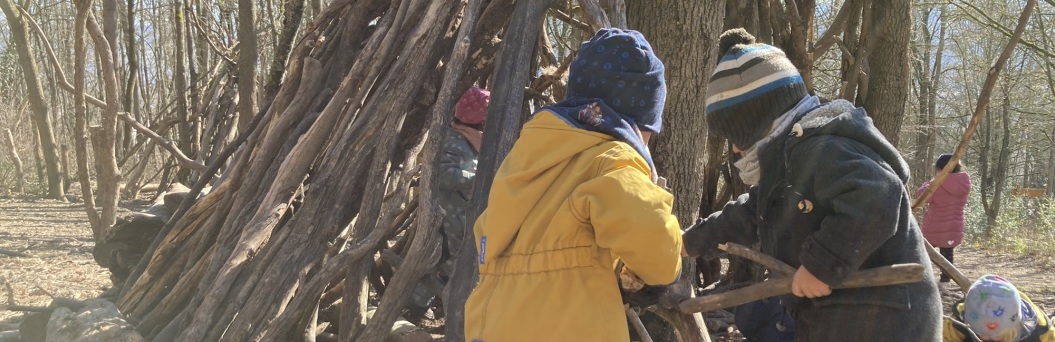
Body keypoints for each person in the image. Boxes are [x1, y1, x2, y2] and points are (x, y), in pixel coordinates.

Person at [680, 28, 942, 341]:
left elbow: (878, 195)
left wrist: (822, 264)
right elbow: (753, 212)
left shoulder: (821, 148)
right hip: (840, 321)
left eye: (737, 138)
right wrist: (689, 243)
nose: (736, 150)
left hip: (886, 322)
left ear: (761, 123)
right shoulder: (791, 163)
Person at [463, 28, 682, 341]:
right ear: (637, 121)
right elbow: (653, 241)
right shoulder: (613, 159)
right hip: (568, 325)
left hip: (492, 320)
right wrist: (664, 272)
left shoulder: (529, 154)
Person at [408, 87, 490, 315]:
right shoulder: (454, 141)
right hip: (450, 215)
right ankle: (431, 306)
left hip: (463, 215)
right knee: (448, 259)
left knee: (452, 260)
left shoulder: (472, 141)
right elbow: (444, 175)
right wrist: (478, 179)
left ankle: (426, 304)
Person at [943, 275, 1053, 342]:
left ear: (1015, 327)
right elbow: (941, 337)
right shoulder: (958, 321)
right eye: (980, 333)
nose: (985, 337)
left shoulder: (1041, 333)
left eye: (995, 335)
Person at [916, 153, 972, 284]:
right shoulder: (964, 183)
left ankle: (922, 280)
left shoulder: (937, 184)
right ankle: (945, 282)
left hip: (935, 225)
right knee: (947, 254)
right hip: (955, 226)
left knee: (925, 253)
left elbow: (922, 196)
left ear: (940, 168)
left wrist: (929, 183)